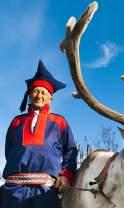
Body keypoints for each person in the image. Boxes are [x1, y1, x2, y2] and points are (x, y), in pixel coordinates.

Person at [0, 60, 77, 208]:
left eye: (43, 92)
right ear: (29, 94)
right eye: (35, 91)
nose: (39, 95)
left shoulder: (60, 122)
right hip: (13, 190)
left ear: (50, 97)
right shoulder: (17, 121)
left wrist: (66, 175)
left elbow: (70, 151)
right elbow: (9, 151)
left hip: (46, 192)